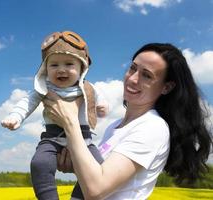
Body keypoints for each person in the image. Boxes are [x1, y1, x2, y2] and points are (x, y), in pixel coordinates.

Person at [43, 43, 212, 200]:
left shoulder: (153, 127)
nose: (132, 79)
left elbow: (95, 190)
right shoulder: (114, 126)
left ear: (166, 87)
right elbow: (101, 176)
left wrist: (70, 122)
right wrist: (76, 166)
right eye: (133, 68)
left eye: (146, 76)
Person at [1, 31, 109, 199]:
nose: (61, 70)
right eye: (54, 65)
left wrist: (102, 107)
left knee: (100, 167)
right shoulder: (45, 88)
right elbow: (27, 102)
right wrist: (15, 117)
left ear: (82, 68)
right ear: (45, 69)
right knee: (39, 163)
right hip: (51, 140)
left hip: (84, 141)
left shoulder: (89, 88)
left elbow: (100, 100)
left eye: (68, 64)